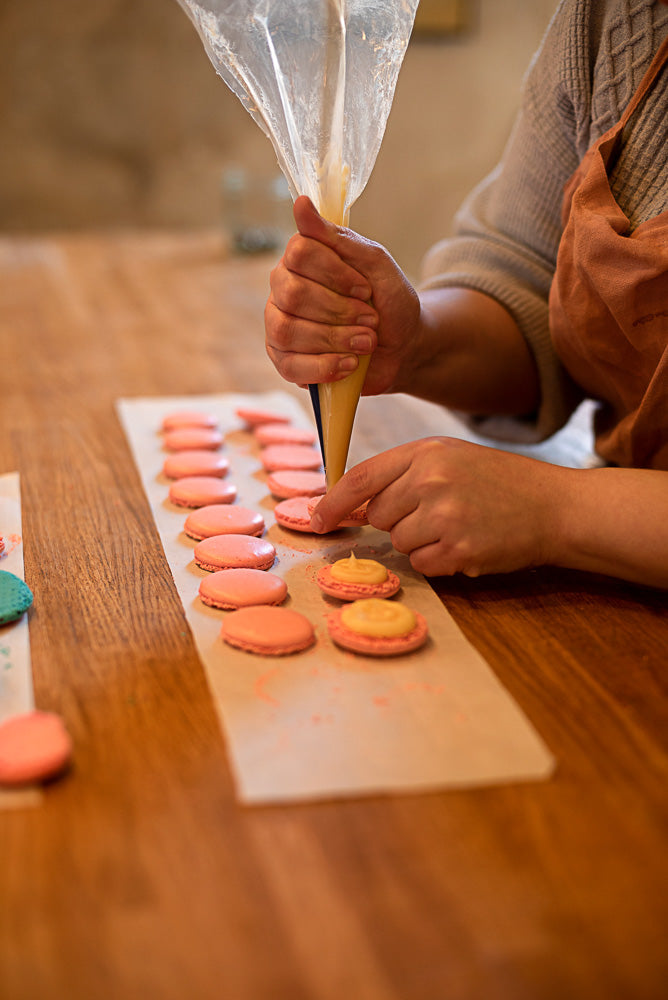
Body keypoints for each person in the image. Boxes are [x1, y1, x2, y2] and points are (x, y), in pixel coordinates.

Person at [264, 0, 668, 589]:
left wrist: (559, 509)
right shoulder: (608, 17)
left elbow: (556, 508)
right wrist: (417, 341)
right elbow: (525, 269)